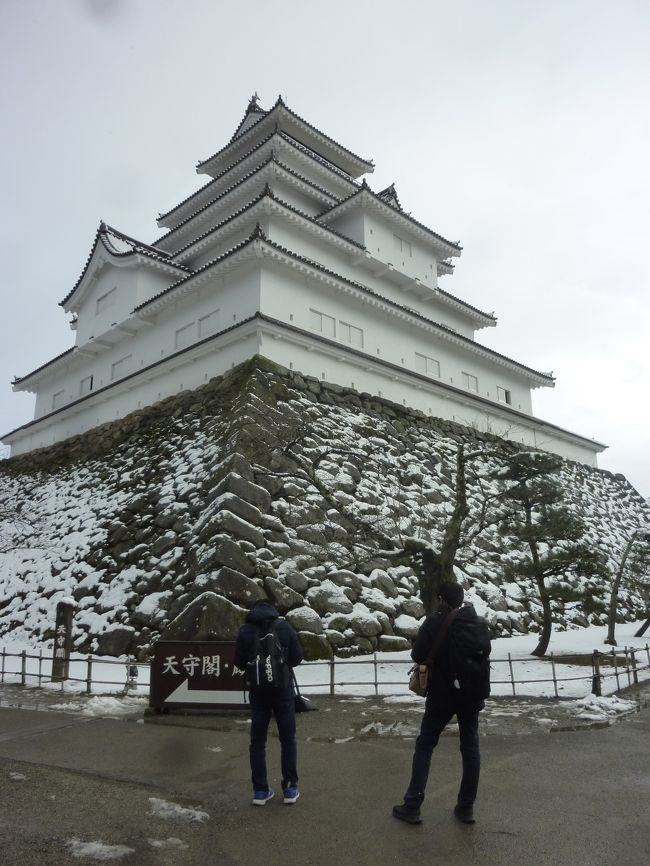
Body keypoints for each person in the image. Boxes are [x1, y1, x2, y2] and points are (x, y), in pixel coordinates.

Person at [393, 581, 488, 825]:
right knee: (470, 748)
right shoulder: (477, 622)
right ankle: (466, 807)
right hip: (471, 694)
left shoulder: (434, 622)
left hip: (442, 695)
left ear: (440, 599)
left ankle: (412, 805)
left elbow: (418, 655)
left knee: (425, 745)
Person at [234, 600, 303, 806]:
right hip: (283, 691)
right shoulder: (284, 627)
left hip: (257, 693)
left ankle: (260, 791)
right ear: (273, 611)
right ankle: (290, 788)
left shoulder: (246, 630)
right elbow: (297, 658)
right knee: (288, 739)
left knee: (257, 742)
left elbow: (238, 662)